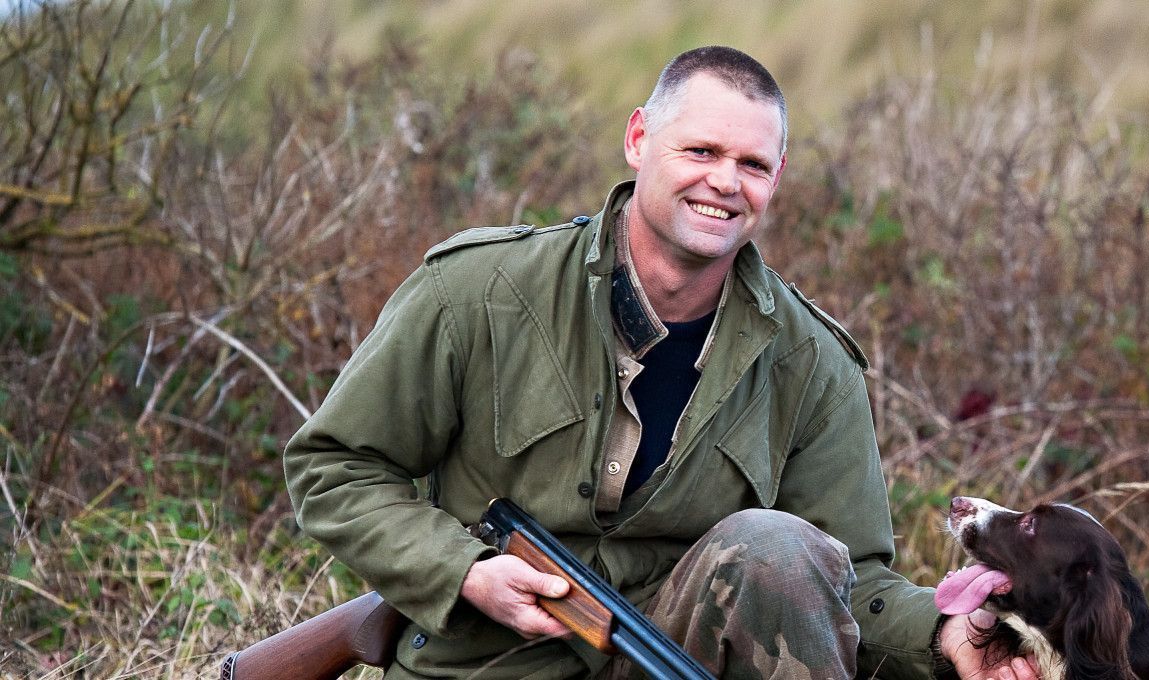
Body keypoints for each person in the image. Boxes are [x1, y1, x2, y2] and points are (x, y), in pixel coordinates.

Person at [283, 46, 1035, 680]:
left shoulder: (810, 361)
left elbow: (852, 581)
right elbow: (337, 465)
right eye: (701, 151)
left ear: (777, 177)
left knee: (780, 546)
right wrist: (462, 573)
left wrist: (951, 638)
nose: (724, 182)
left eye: (752, 163)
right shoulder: (479, 292)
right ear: (639, 138)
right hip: (486, 665)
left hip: (668, 661)